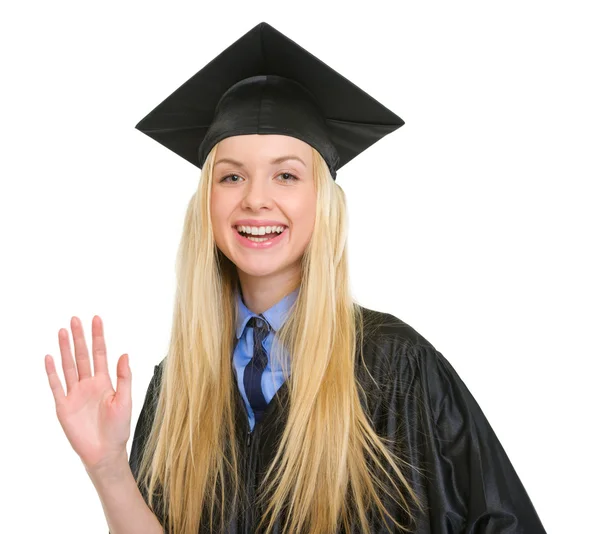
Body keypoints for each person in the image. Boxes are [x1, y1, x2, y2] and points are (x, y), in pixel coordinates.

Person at [44, 22, 547, 534]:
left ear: (321, 202)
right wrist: (107, 468)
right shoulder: (176, 388)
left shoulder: (395, 368)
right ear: (207, 204)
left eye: (286, 175)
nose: (256, 198)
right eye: (232, 176)